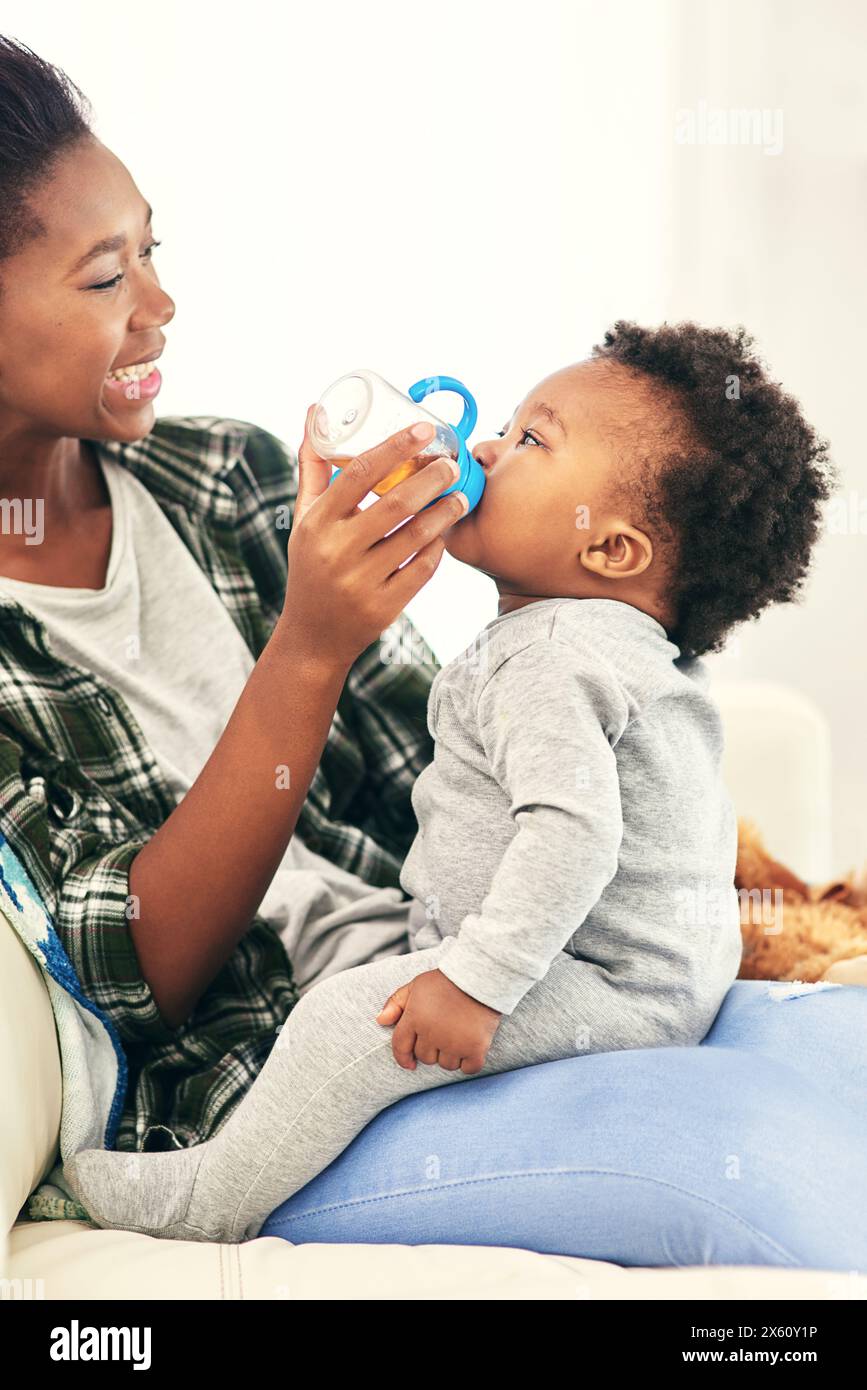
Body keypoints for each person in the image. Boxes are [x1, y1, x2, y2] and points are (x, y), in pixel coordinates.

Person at [61, 325, 834, 1243]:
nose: (481, 449)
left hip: (599, 982)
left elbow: (570, 835)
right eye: (504, 425)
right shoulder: (618, 646)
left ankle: (209, 1199)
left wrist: (475, 983)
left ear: (612, 551)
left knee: (352, 1019)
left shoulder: (548, 656)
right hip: (636, 969)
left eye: (530, 441)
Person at [0, 36, 462, 1221]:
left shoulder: (228, 478)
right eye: (106, 280)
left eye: (151, 250)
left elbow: (444, 773)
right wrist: (309, 650)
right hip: (269, 1099)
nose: (161, 306)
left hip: (451, 986)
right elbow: (138, 969)